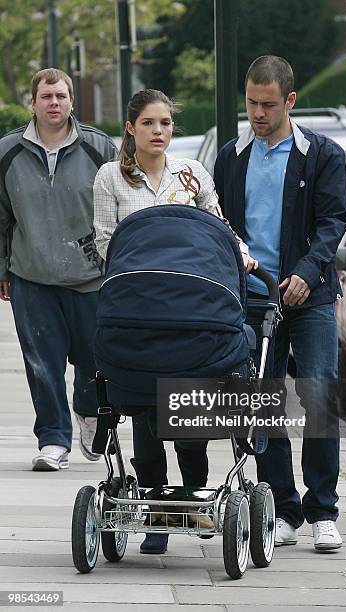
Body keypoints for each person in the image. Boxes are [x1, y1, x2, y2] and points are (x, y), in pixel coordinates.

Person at [93, 88, 256, 554]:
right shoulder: (110, 178)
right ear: (130, 127)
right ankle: (156, 515)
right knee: (146, 412)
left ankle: (193, 493)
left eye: (165, 123)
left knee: (185, 415)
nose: (158, 131)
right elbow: (107, 243)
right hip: (140, 308)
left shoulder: (192, 174)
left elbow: (219, 229)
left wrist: (241, 257)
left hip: (189, 309)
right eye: (148, 123)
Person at [214, 56, 346, 551]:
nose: (257, 112)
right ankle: (282, 509)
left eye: (268, 104)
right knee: (261, 404)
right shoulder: (231, 155)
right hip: (251, 299)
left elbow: (334, 222)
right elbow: (221, 223)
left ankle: (323, 510)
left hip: (309, 296)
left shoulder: (322, 154)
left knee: (318, 397)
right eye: (250, 102)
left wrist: (306, 274)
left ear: (290, 101)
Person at [0, 68, 117, 472]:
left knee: (93, 359)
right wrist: (3, 268)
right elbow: (1, 217)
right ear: (31, 102)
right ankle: (53, 439)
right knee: (42, 363)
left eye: (61, 96)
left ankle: (87, 411)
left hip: (91, 278)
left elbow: (119, 207)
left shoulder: (98, 148)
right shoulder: (8, 152)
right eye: (46, 96)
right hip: (31, 277)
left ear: (72, 101)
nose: (54, 103)